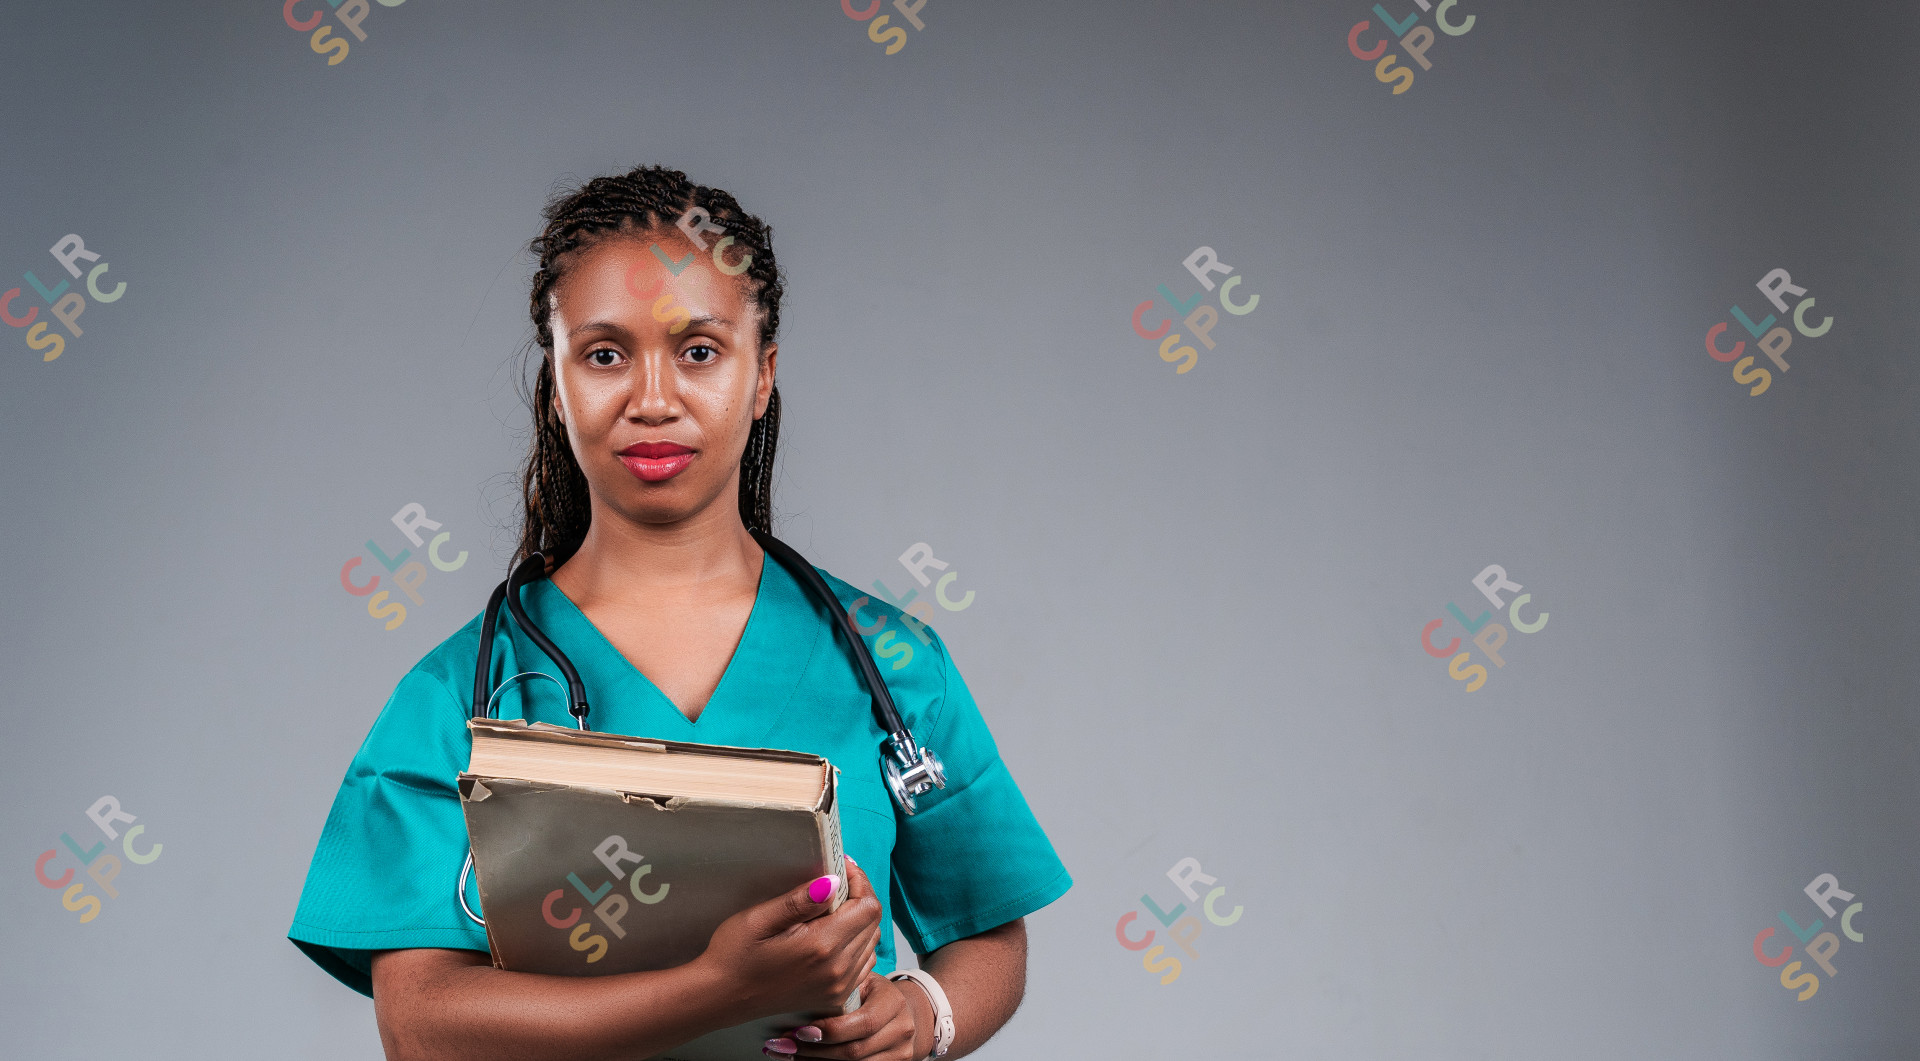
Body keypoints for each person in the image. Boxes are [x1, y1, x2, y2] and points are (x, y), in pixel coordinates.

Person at [287, 165, 1072, 1061]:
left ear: (762, 373)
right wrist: (718, 990)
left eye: (699, 351)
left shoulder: (889, 662)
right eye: (605, 353)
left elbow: (989, 931)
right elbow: (420, 1025)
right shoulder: (457, 695)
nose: (652, 399)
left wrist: (925, 1012)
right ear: (557, 384)